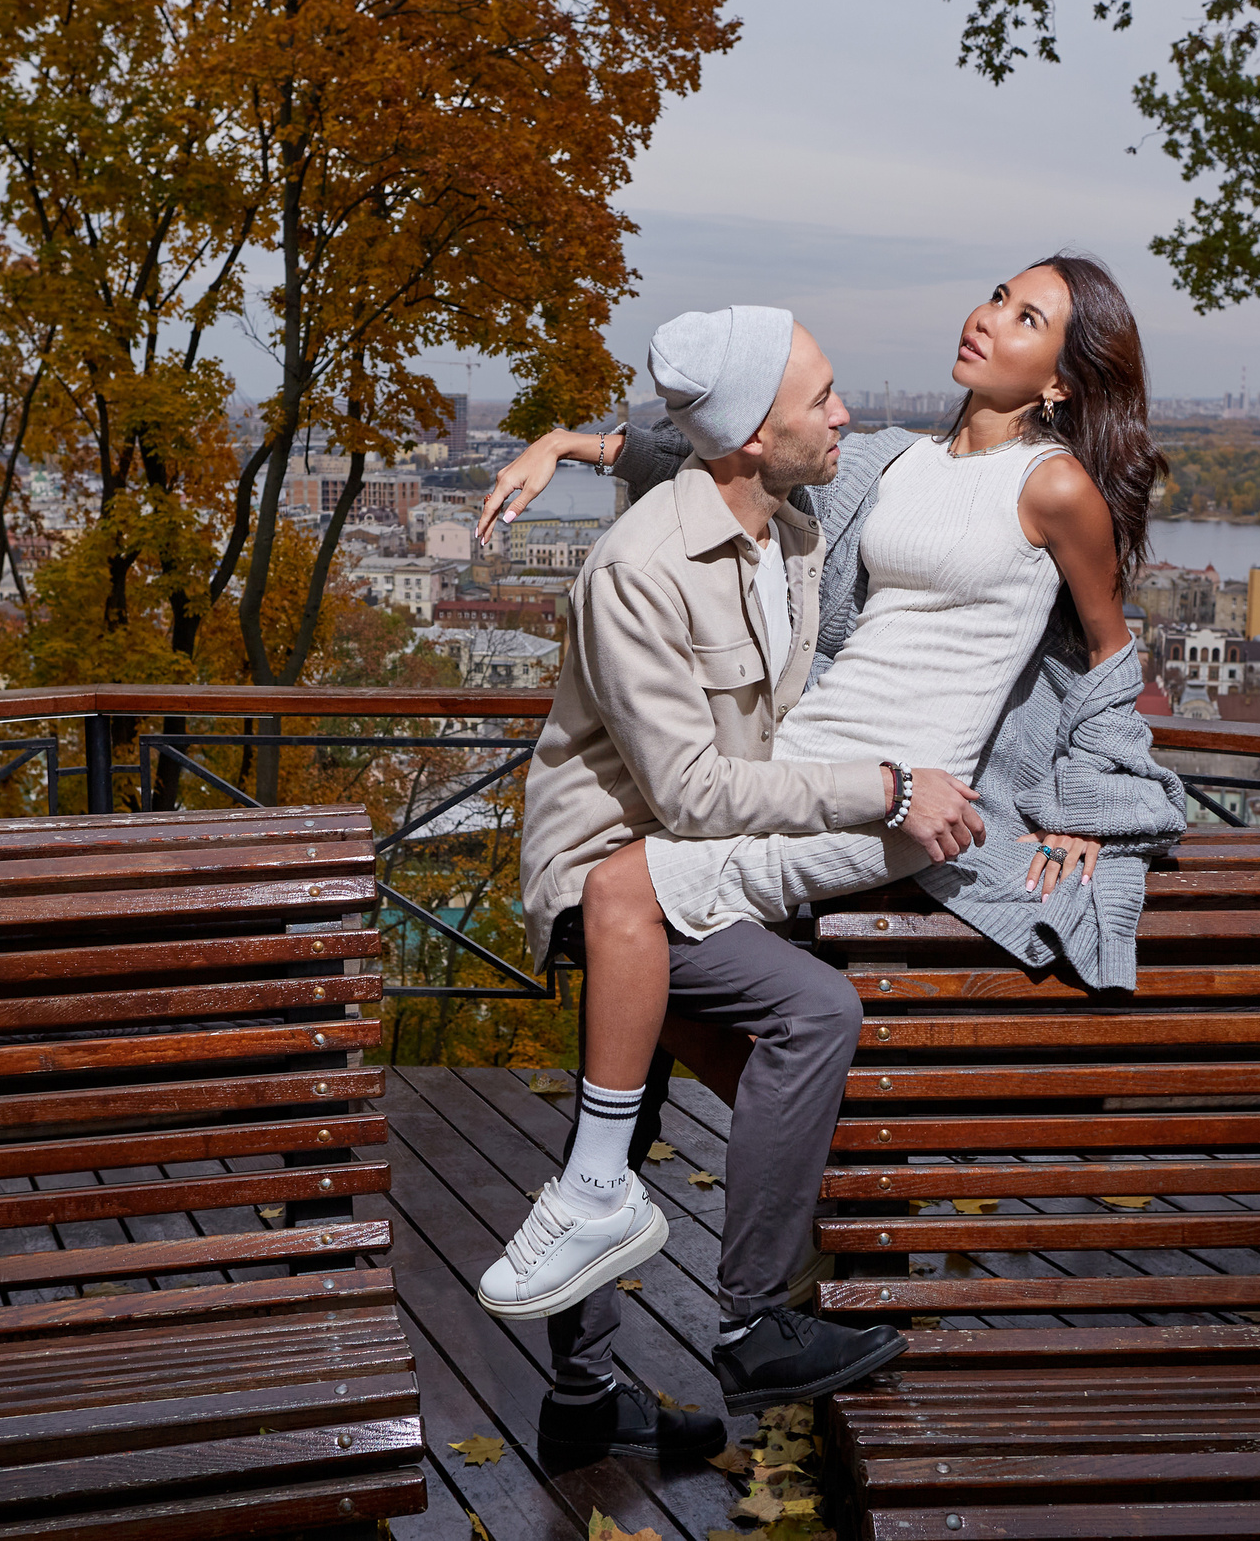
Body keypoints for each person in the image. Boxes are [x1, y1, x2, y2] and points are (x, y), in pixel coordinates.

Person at [481, 256, 1187, 1447]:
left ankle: (694, 1314)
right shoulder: (897, 458)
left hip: (892, 801)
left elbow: (1111, 659)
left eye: (1027, 318)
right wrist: (572, 441)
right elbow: (733, 458)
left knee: (621, 893)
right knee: (637, 1020)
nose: (987, 316)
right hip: (810, 764)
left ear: (1064, 379)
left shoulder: (1056, 484)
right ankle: (595, 1382)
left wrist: (1087, 802)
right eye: (996, 294)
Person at [483, 304, 983, 1471]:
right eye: (820, 398)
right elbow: (697, 794)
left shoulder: (789, 528)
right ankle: (756, 1321)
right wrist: (886, 785)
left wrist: (566, 438)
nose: (844, 414)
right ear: (756, 436)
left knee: (622, 1122)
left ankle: (583, 1393)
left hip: (708, 871)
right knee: (812, 1016)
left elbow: (675, 449)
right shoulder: (638, 571)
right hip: (612, 875)